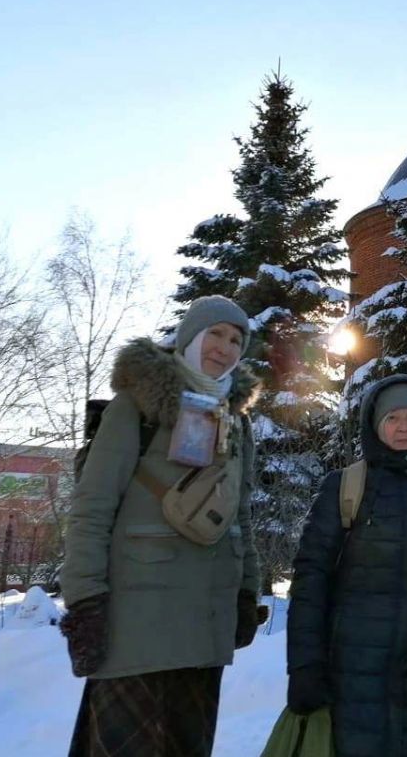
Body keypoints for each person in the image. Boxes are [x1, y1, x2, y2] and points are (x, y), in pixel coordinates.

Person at [60, 295, 263, 757]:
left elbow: (240, 516)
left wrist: (246, 592)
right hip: (137, 625)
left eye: (236, 340)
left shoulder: (237, 421)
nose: (224, 347)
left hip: (204, 625)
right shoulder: (137, 407)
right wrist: (86, 603)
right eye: (215, 333)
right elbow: (91, 509)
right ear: (191, 337)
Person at [285, 374, 407, 757]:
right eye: (393, 418)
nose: (404, 427)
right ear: (376, 424)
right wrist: (304, 665)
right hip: (351, 674)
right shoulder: (345, 487)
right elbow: (311, 578)